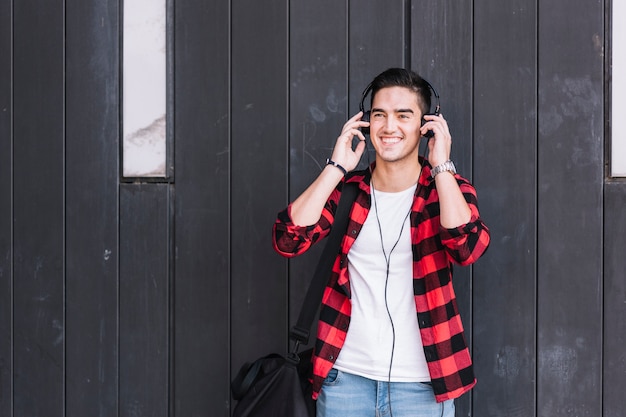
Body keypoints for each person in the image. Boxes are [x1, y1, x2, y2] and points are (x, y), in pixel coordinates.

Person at [272, 68, 490, 417]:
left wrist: (442, 165)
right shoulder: (347, 191)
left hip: (422, 386)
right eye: (379, 115)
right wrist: (336, 167)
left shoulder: (446, 190)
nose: (389, 127)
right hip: (345, 380)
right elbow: (288, 239)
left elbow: (468, 248)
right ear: (366, 122)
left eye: (403, 115)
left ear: (426, 125)